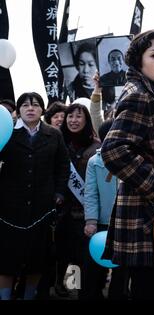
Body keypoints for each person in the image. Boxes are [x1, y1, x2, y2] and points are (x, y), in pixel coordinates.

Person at [100, 29, 154, 300]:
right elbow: (113, 150)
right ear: (139, 60)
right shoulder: (141, 94)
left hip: (150, 214)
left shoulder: (151, 92)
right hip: (146, 216)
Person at [0, 92, 69, 300]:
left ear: (42, 110)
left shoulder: (54, 134)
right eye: (26, 105)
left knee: (37, 257)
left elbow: (63, 165)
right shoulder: (7, 132)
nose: (31, 108)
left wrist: (58, 192)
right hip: (9, 208)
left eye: (36, 105)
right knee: (7, 258)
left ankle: (29, 295)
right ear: (18, 110)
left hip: (42, 206)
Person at [57, 103, 101, 298]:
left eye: (78, 116)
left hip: (85, 213)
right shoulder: (59, 143)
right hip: (62, 213)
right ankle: (72, 290)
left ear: (86, 120)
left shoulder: (96, 147)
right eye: (70, 116)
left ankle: (89, 293)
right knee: (68, 256)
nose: (73, 120)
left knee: (87, 258)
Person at [82, 119, 117, 299]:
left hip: (126, 221)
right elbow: (91, 193)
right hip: (102, 222)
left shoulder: (134, 158)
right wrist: (91, 220)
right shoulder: (94, 162)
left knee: (122, 270)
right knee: (95, 267)